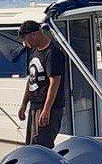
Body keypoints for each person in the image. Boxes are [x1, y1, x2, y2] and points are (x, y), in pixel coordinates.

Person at [16, 20, 67, 148]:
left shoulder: (52, 53)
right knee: (31, 145)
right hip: (35, 105)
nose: (26, 44)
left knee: (42, 145)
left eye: (26, 39)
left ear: (35, 34)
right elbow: (31, 79)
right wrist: (24, 104)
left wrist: (46, 110)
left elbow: (54, 82)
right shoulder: (34, 52)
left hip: (48, 107)